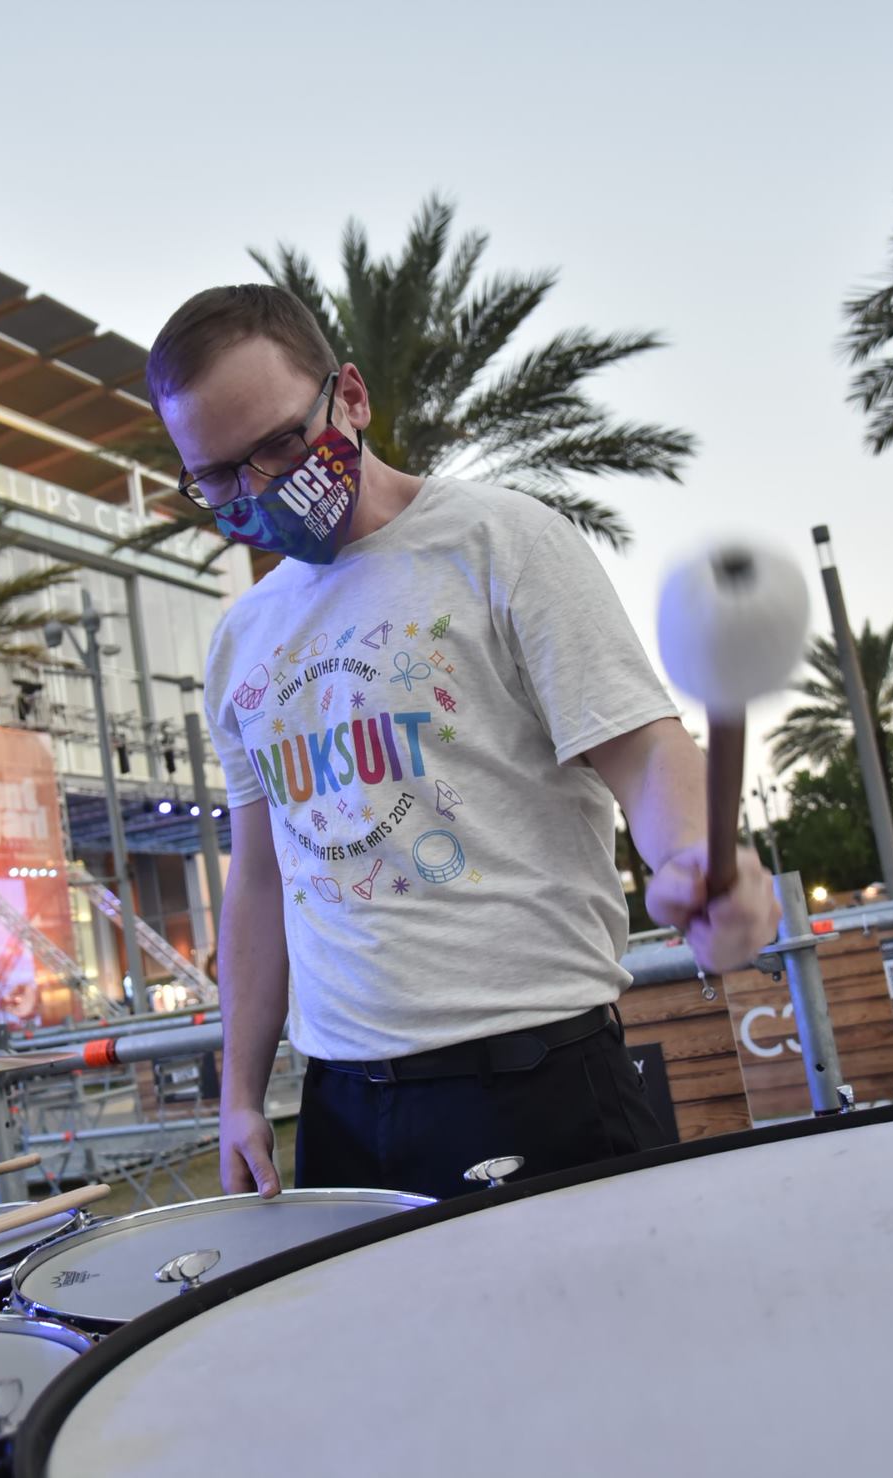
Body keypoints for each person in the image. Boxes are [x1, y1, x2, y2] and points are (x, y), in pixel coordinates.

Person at [150, 285, 781, 1202]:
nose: (258, 488)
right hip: (341, 1109)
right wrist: (241, 1095)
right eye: (216, 476)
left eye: (282, 444)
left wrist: (702, 859)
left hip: (540, 1083)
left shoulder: (504, 544)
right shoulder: (240, 642)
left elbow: (641, 751)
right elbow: (259, 877)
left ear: (351, 399)